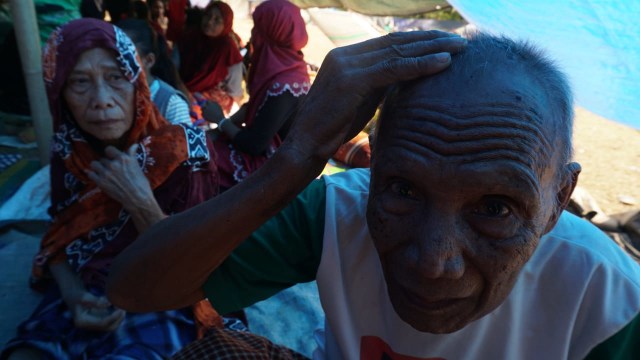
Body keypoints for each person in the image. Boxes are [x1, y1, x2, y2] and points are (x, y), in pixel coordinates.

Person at [107, 31, 640, 359]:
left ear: (558, 199)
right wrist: (296, 160)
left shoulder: (608, 299)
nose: (434, 262)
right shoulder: (338, 213)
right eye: (404, 189)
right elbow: (137, 289)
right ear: (374, 165)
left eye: (496, 208)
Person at [0, 18, 220, 359]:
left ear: (138, 84)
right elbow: (59, 237)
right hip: (92, 289)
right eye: (79, 82)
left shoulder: (184, 152)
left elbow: (201, 268)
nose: (101, 100)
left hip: (166, 292)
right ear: (59, 93)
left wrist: (140, 201)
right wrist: (74, 297)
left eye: (116, 78)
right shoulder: (69, 151)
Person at [207, 0, 311, 190]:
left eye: (258, 29)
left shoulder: (286, 85)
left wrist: (221, 121)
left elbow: (255, 145)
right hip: (258, 149)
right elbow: (260, 108)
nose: (253, 35)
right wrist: (225, 126)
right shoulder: (290, 67)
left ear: (273, 34)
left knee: (198, 163)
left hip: (269, 168)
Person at [117, 18, 192, 126]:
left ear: (148, 61)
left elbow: (184, 141)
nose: (115, 62)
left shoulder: (171, 103)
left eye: (123, 56)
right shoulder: (108, 93)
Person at [176, 1, 243, 115]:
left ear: (225, 25)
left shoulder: (228, 49)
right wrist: (183, 89)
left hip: (206, 106)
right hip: (179, 89)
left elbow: (235, 92)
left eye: (217, 20)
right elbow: (172, 67)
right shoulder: (189, 38)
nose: (210, 22)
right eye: (207, 16)